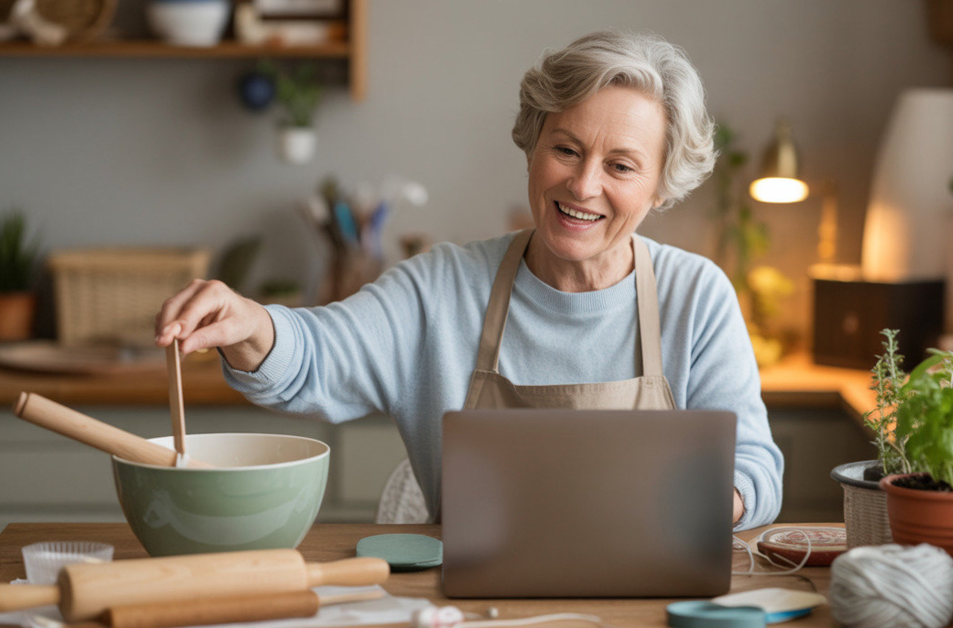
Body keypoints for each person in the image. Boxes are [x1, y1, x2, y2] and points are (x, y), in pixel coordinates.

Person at [154, 30, 784, 530]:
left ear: (660, 188)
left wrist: (688, 509)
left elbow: (753, 471)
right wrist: (251, 323)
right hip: (468, 604)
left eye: (620, 165)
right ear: (532, 145)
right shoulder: (442, 289)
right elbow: (316, 354)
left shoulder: (696, 297)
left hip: (649, 597)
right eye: (566, 149)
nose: (584, 185)